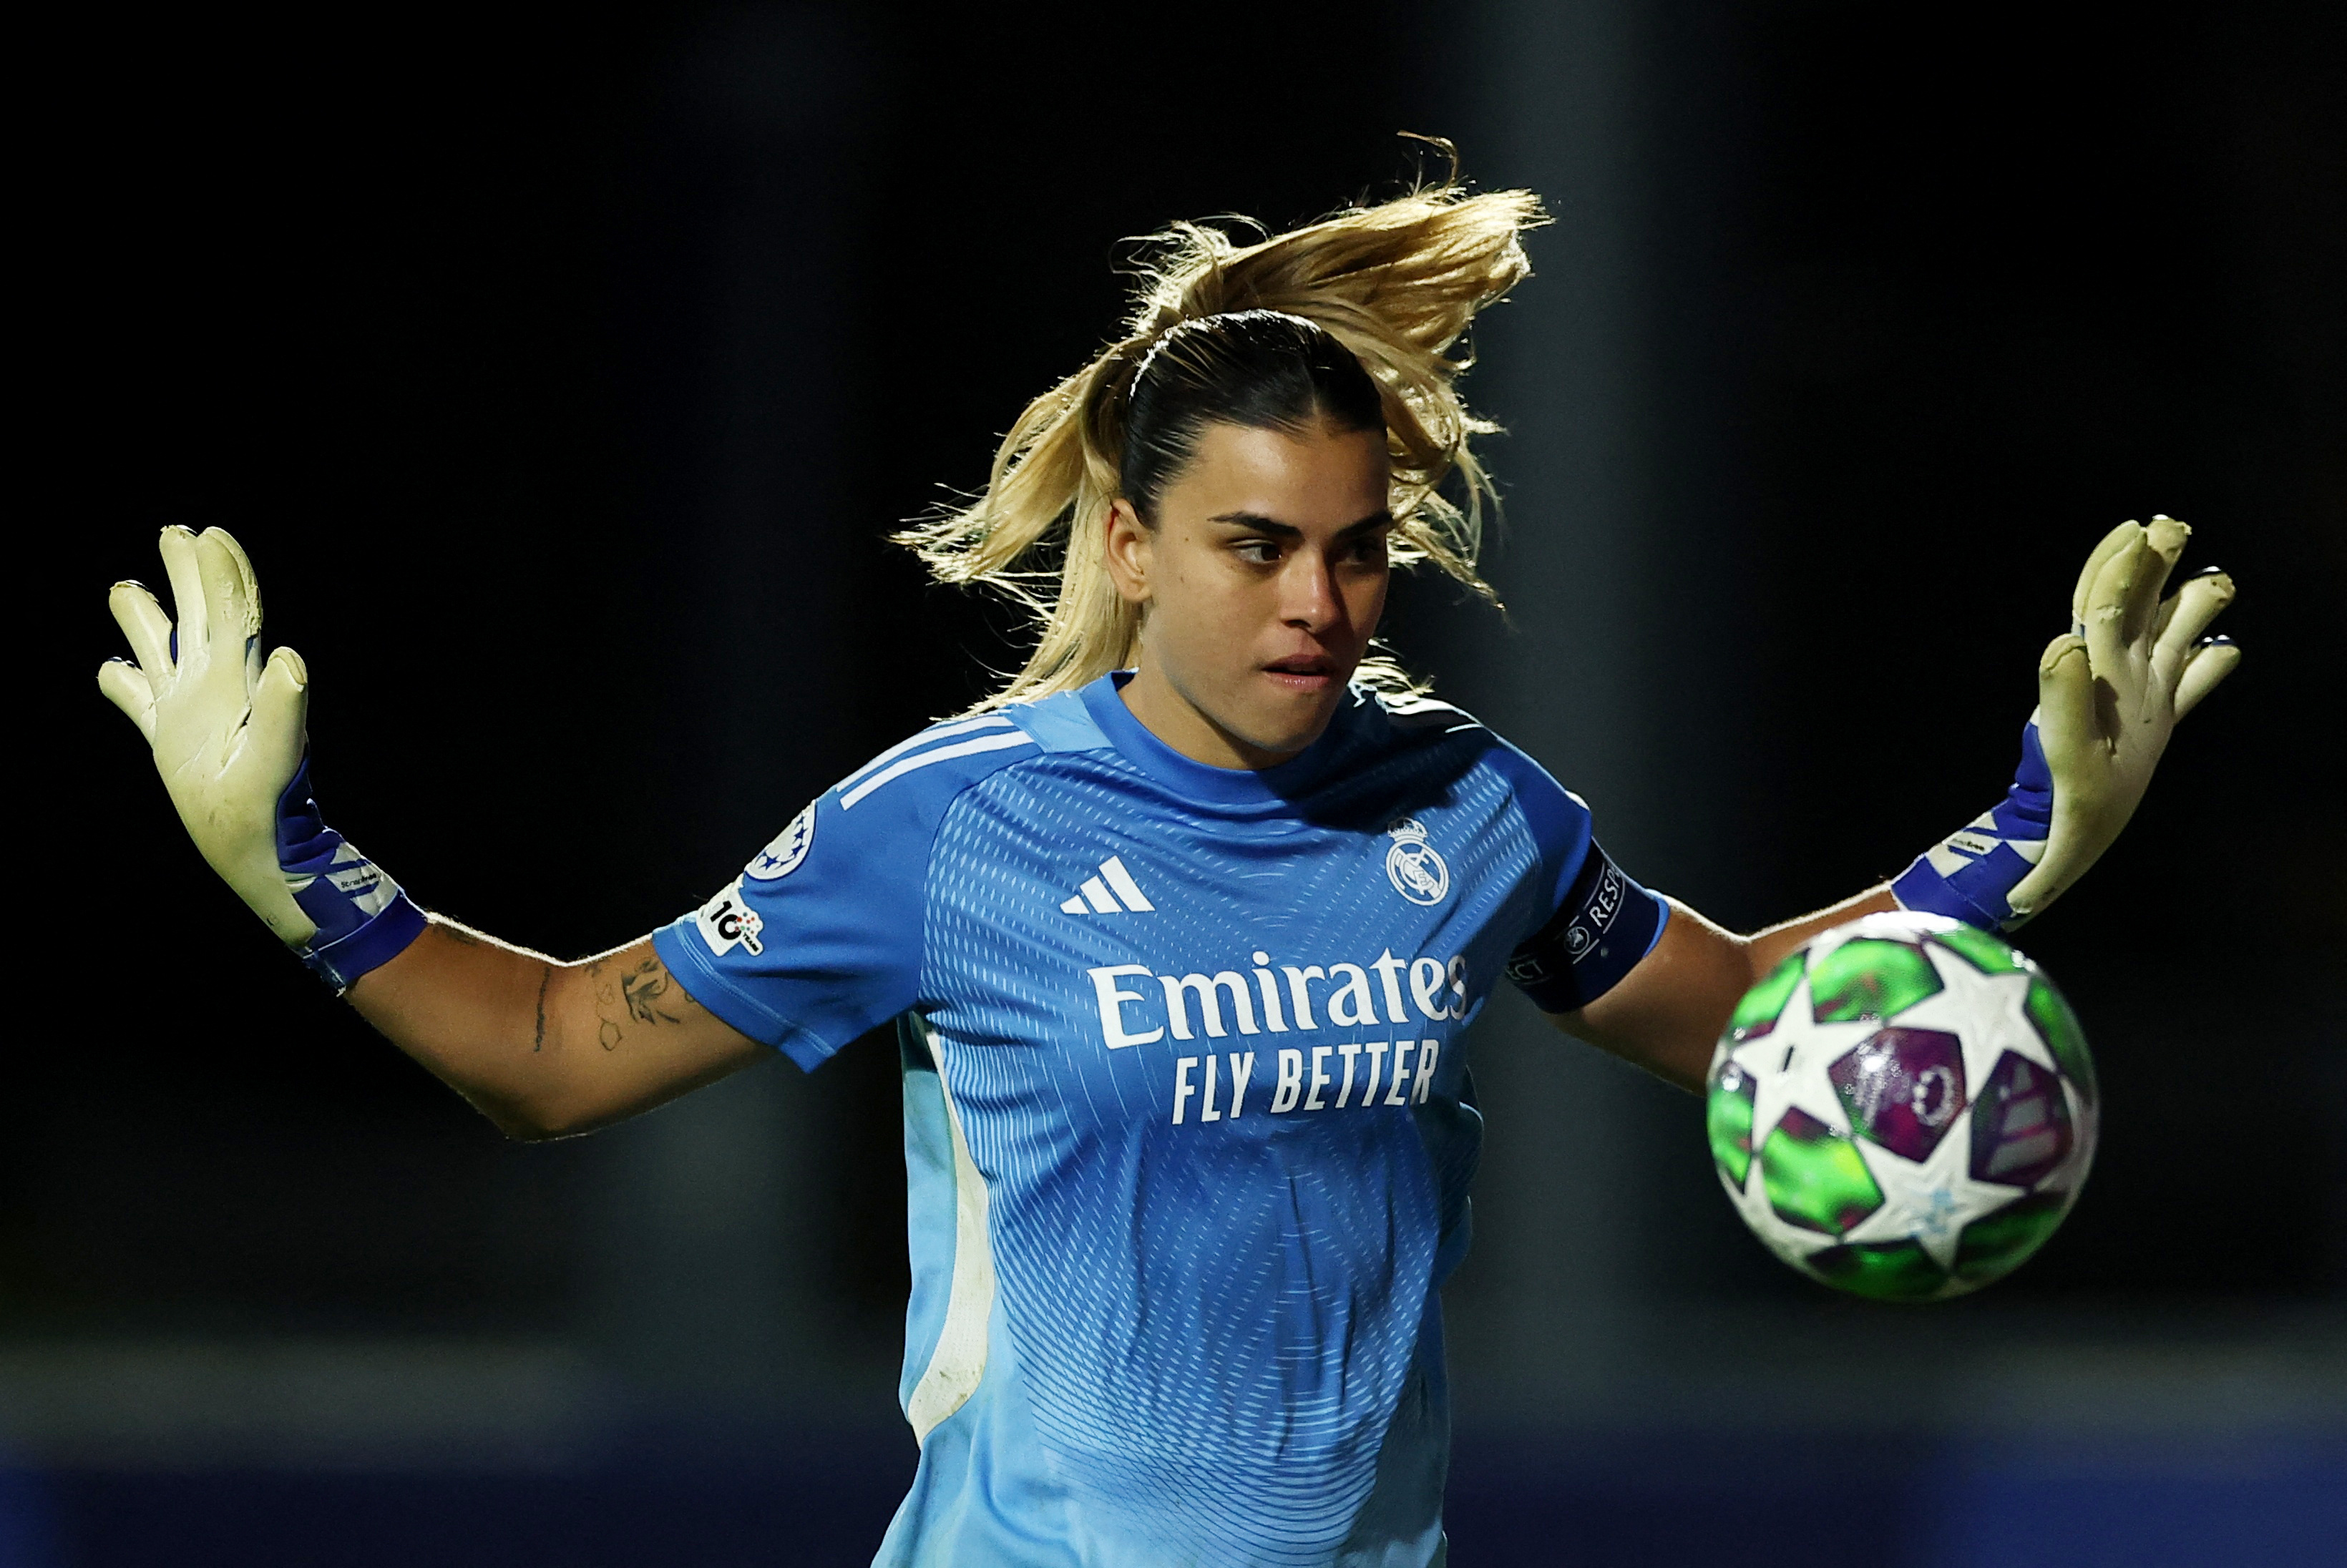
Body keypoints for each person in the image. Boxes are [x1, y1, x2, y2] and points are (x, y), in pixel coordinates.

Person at [97, 168, 2240, 1567]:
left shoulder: (1468, 810)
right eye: (1255, 548)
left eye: (1356, 549)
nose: (1321, 600)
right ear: (1128, 549)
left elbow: (1757, 1028)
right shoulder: (949, 829)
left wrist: (2037, 836)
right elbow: (551, 1053)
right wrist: (285, 856)